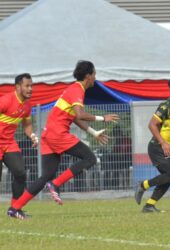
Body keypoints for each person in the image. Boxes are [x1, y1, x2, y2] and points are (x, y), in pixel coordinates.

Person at [8, 60, 119, 219]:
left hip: (48, 134)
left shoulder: (74, 90)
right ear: (88, 76)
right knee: (90, 158)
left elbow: (74, 117)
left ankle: (15, 208)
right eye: (94, 74)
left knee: (45, 176)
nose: (95, 77)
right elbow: (80, 114)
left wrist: (93, 132)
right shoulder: (77, 89)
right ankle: (56, 184)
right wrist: (103, 118)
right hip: (57, 134)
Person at [134, 74, 170, 212]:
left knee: (169, 176)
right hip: (157, 146)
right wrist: (164, 143)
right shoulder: (166, 106)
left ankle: (149, 206)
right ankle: (142, 185)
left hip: (164, 147)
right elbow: (152, 125)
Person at [0, 73, 38, 214]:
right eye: (27, 86)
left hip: (9, 143)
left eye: (31, 86)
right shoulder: (5, 101)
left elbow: (27, 125)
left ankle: (15, 209)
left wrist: (32, 135)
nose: (30, 89)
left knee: (20, 173)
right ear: (17, 87)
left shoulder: (27, 106)